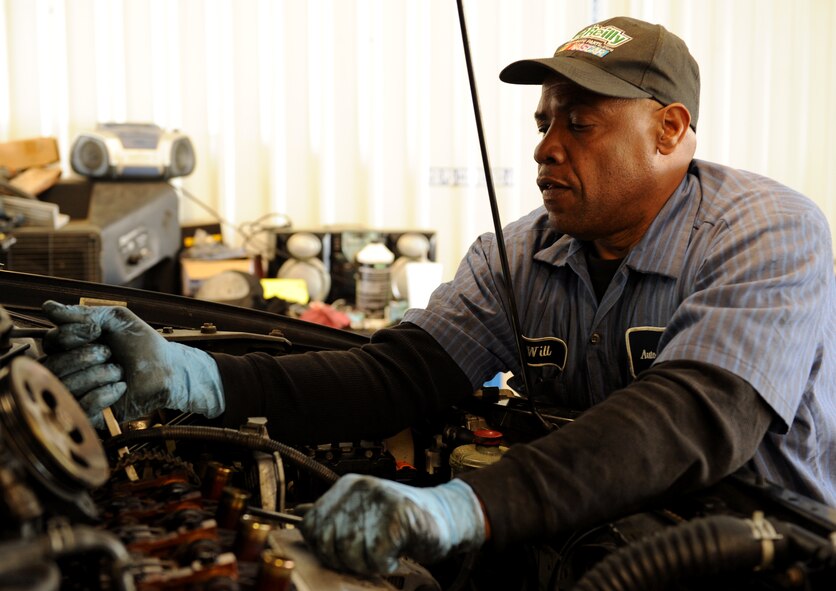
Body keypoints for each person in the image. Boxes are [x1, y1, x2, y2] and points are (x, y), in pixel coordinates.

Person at [41, 15, 835, 579]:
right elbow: (398, 374)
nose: (544, 146)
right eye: (543, 120)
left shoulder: (767, 231)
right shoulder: (518, 252)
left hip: (760, 546)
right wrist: (198, 377)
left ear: (669, 130)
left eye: (581, 123)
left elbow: (689, 415)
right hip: (588, 530)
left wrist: (467, 508)